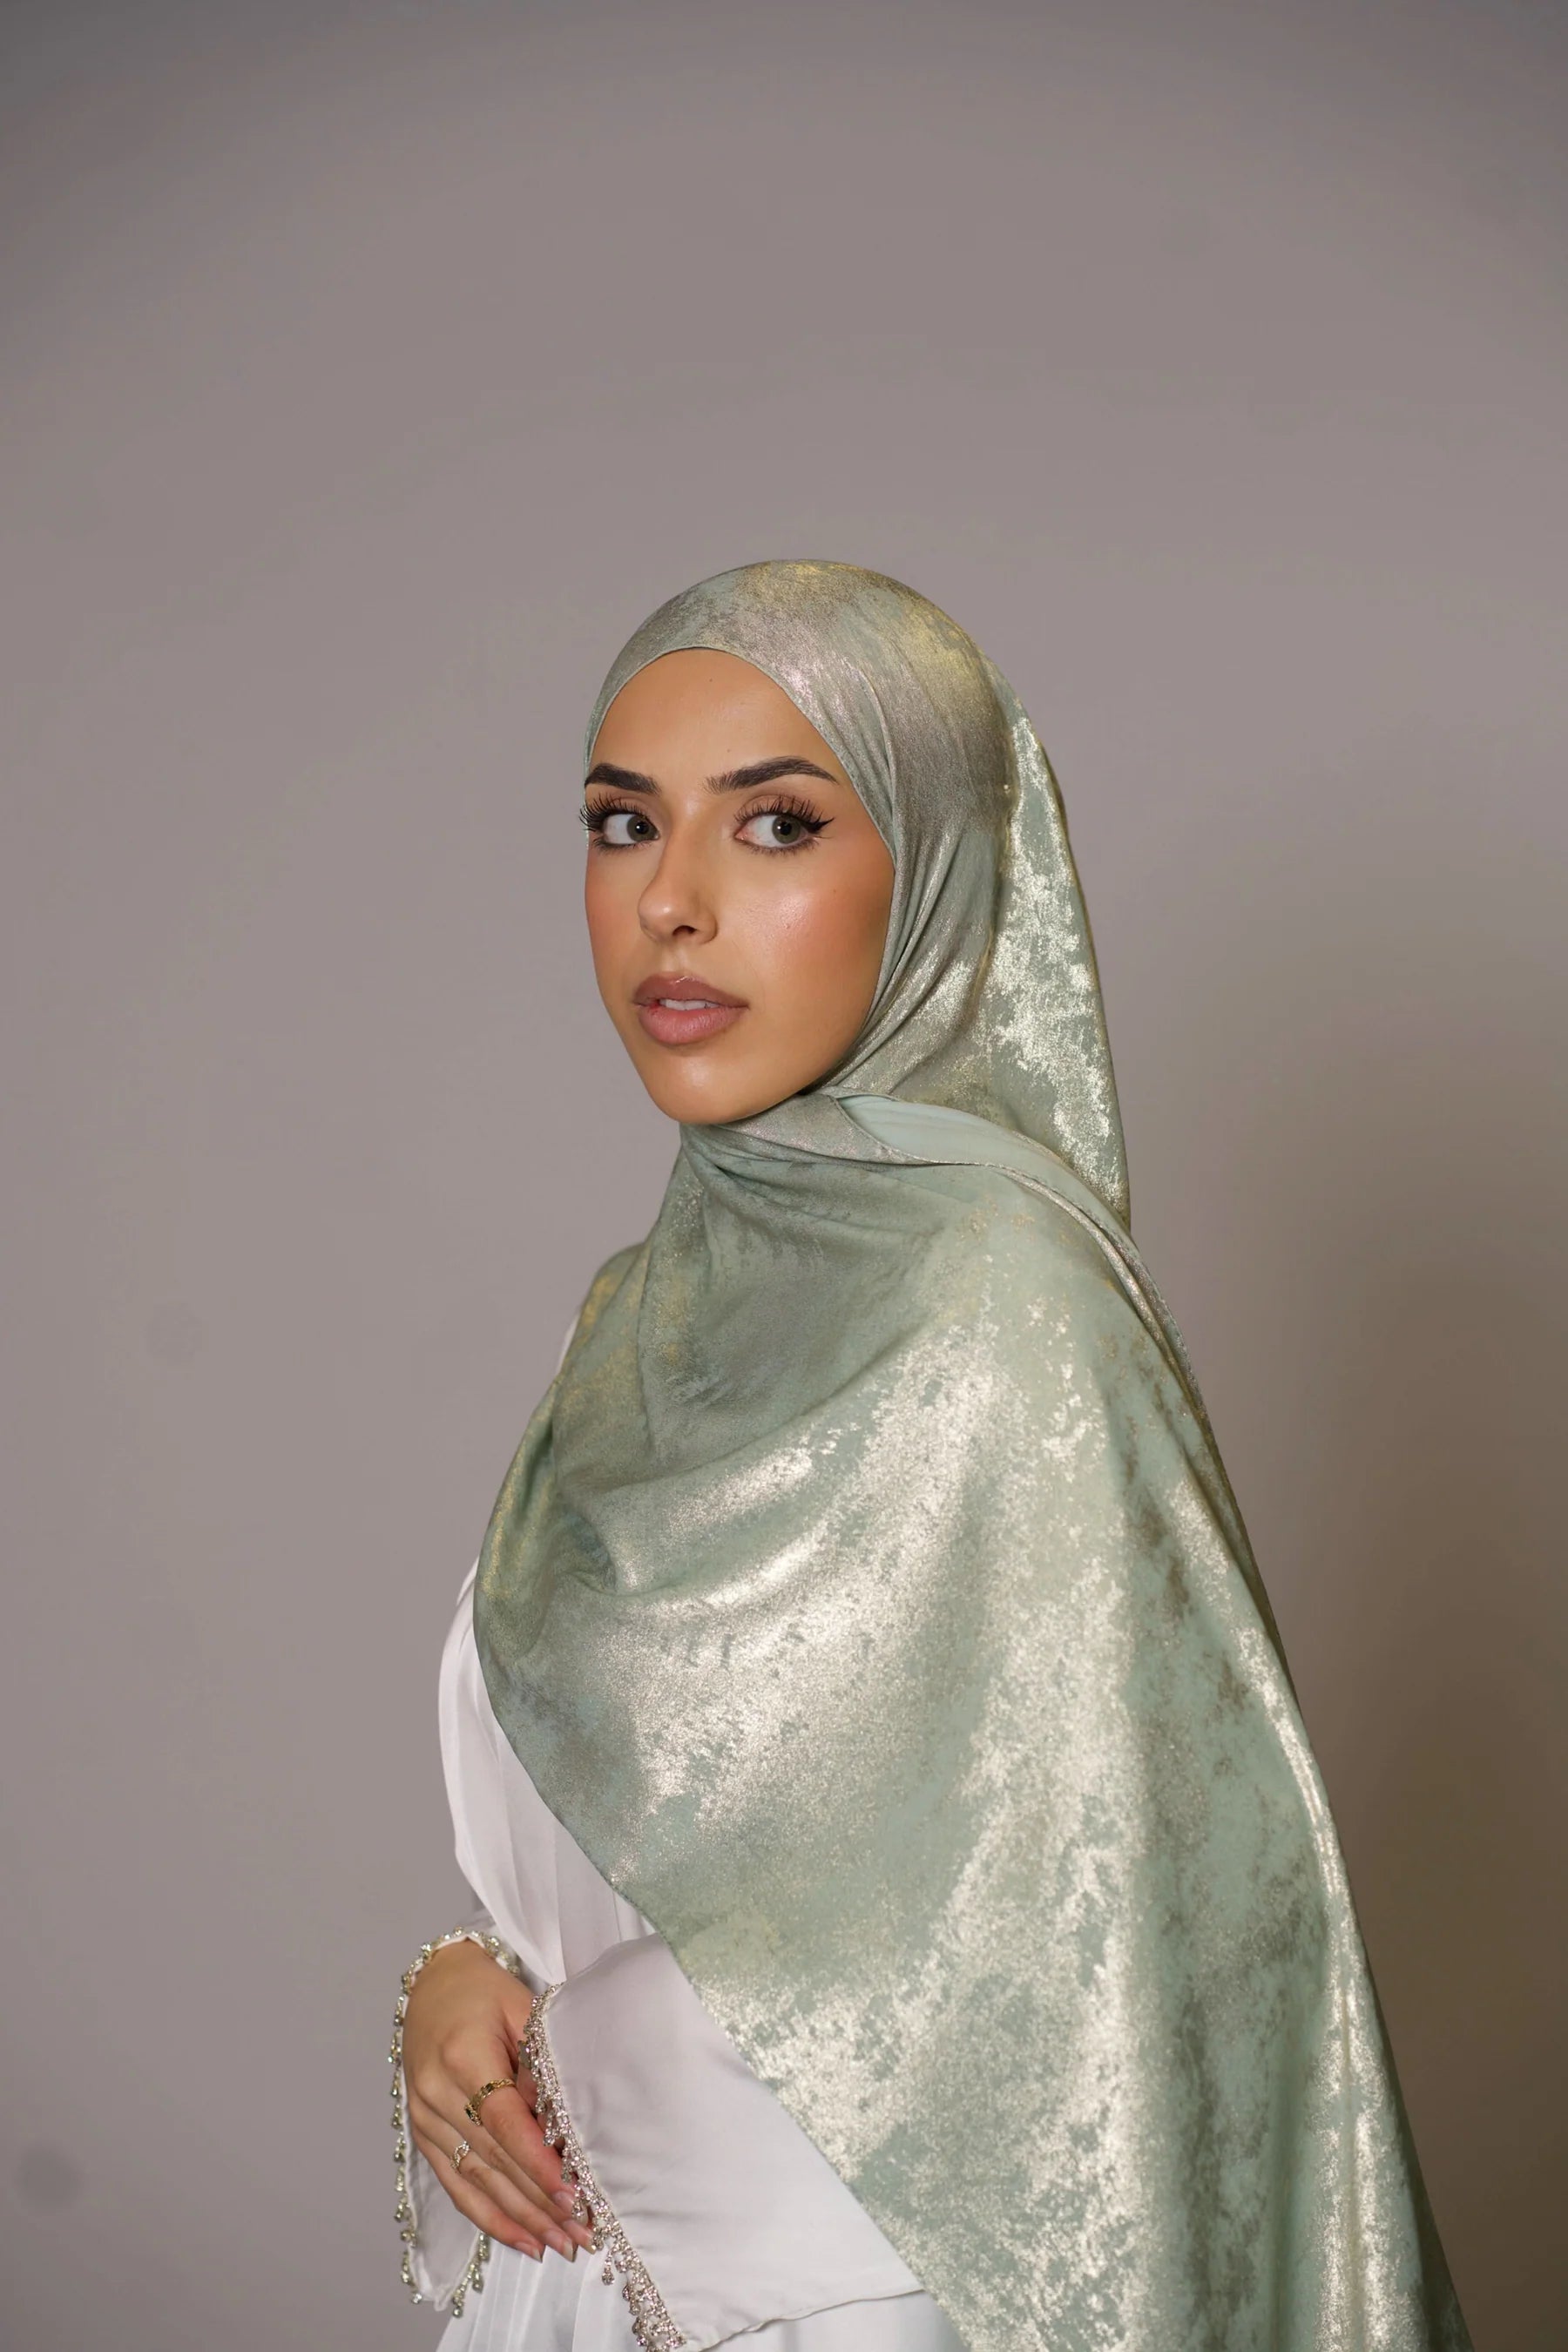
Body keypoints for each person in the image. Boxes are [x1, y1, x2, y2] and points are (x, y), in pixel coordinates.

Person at [390, 561, 1470, 2352]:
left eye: (777, 824)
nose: (669, 902)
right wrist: (473, 1983)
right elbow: (732, 1849)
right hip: (593, 2297)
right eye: (622, 822)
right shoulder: (639, 1325)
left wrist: (588, 2061)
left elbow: (1075, 1988)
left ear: (941, 871)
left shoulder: (1004, 1305)